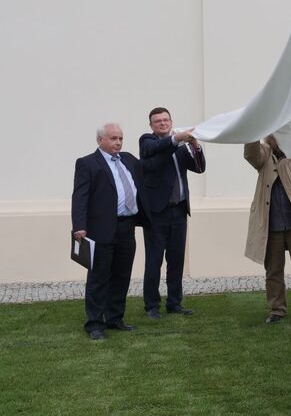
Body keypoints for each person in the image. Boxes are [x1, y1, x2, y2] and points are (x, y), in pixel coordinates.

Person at [71, 123, 151, 340]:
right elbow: (80, 196)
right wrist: (79, 225)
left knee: (121, 275)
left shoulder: (128, 160)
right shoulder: (87, 163)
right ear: (100, 140)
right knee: (99, 277)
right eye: (113, 138)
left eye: (120, 138)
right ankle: (95, 324)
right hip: (101, 228)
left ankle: (115, 318)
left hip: (127, 226)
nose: (118, 142)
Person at [139, 107, 206, 319]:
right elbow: (156, 149)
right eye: (157, 121)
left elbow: (199, 168)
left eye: (166, 120)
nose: (162, 123)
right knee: (154, 261)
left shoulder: (179, 147)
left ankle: (174, 303)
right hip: (157, 213)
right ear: (151, 125)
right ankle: (152, 306)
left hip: (179, 210)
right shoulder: (147, 141)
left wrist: (195, 146)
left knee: (176, 260)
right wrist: (177, 139)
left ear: (171, 121)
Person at [244, 135, 291, 324]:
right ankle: (277, 309)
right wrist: (252, 130)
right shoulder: (265, 153)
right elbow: (252, 154)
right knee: (273, 271)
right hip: (272, 225)